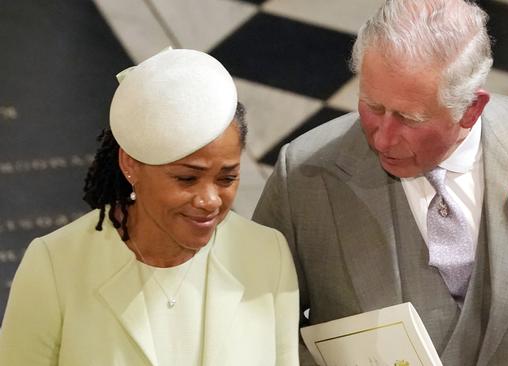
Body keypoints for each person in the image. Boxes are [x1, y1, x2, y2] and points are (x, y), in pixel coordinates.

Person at [252, 0, 508, 365]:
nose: (382, 138)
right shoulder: (302, 175)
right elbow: (257, 328)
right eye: (372, 106)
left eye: (409, 119)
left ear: (471, 109)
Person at [0, 49, 299, 365]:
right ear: (131, 164)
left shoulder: (267, 253)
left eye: (227, 178)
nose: (210, 200)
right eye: (187, 178)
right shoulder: (55, 264)